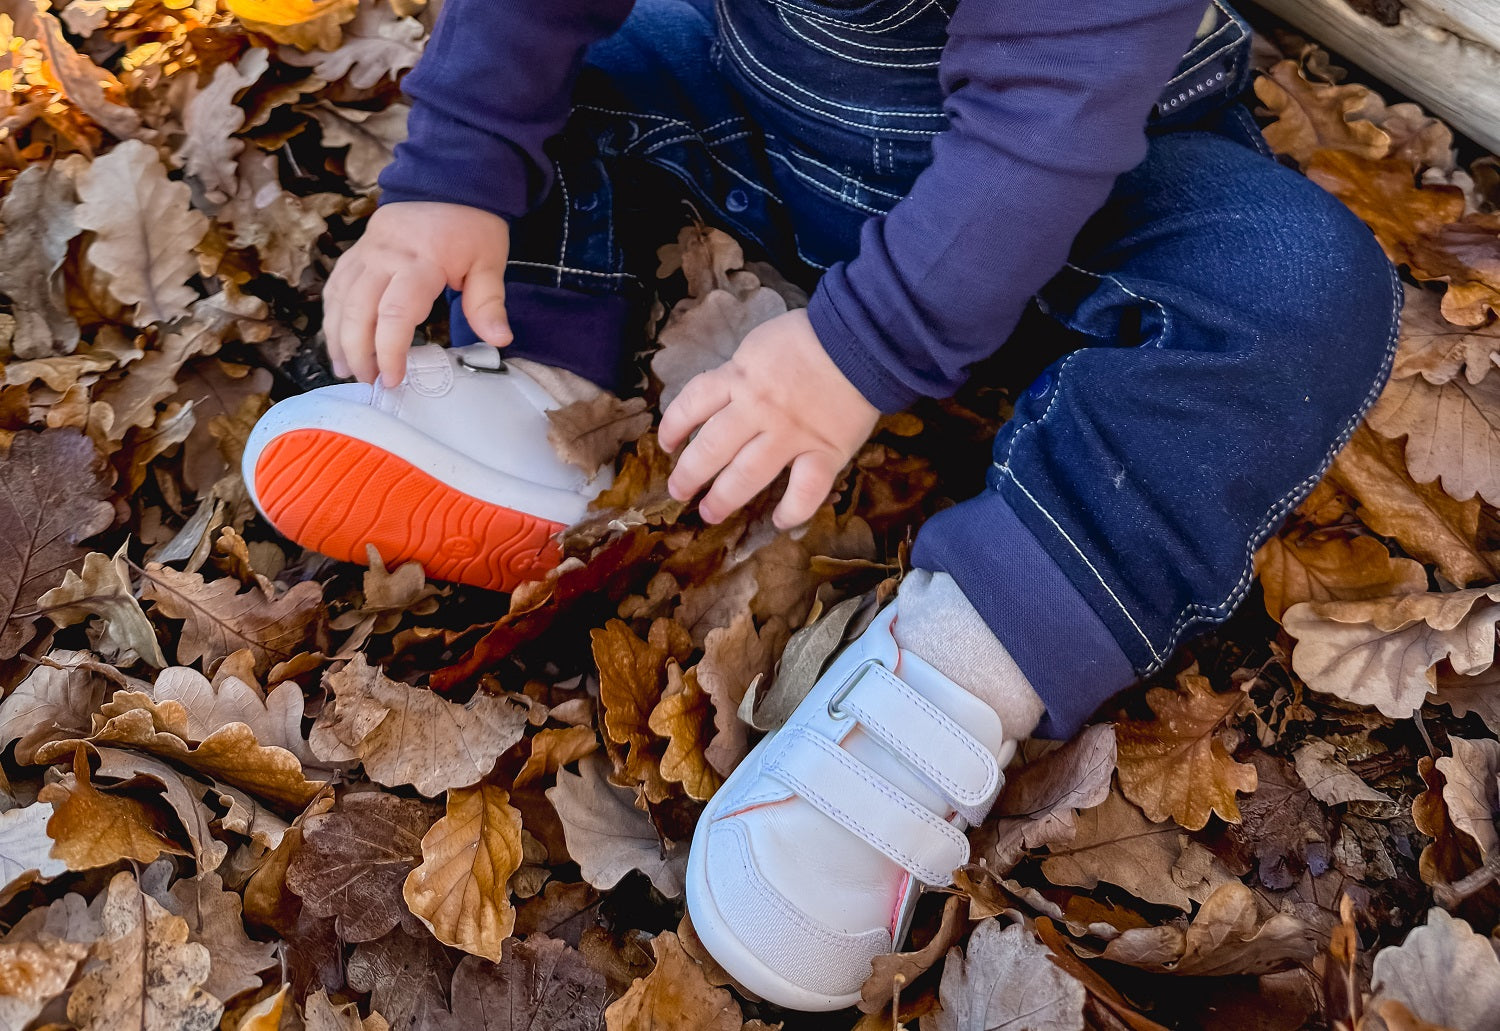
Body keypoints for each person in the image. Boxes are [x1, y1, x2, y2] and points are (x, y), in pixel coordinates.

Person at [242, 0, 1401, 1010]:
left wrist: (861, 348)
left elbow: (1052, 109)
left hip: (1097, 191)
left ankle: (961, 672)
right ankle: (541, 395)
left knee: (1297, 287)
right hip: (782, 125)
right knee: (566, 72)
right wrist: (455, 169)